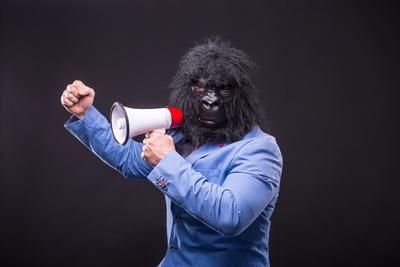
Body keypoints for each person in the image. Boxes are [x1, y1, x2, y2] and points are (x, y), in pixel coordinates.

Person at [61, 39, 283, 267]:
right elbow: (129, 160)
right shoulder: (182, 136)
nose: (210, 100)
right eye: (200, 88)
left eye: (224, 90)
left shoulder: (260, 149)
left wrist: (167, 161)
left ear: (240, 97)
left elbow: (231, 215)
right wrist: (85, 114)